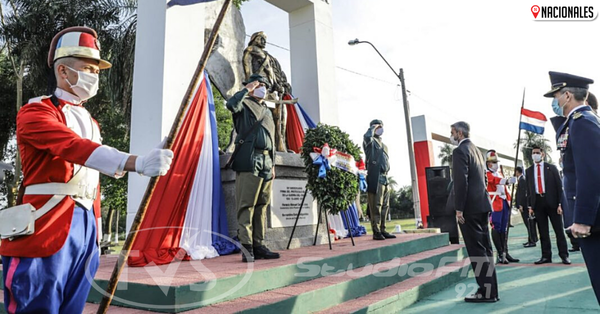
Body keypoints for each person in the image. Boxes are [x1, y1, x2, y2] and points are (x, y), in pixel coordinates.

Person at [0, 27, 174, 313]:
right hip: (46, 222)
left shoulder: (91, 121)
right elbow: (71, 146)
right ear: (63, 71)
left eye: (96, 70)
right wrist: (137, 163)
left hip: (87, 226)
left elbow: (93, 167)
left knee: (74, 306)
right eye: (87, 68)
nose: (94, 76)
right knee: (37, 305)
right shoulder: (35, 112)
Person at [546, 71, 600, 303]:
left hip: (594, 223)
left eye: (556, 95)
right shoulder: (579, 122)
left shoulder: (583, 123)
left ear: (567, 95)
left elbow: (590, 175)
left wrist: (583, 219)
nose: (554, 101)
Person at [227, 73, 280, 263]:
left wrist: (272, 165)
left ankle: (259, 244)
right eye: (258, 84)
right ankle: (247, 247)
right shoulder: (244, 104)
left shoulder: (266, 110)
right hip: (250, 158)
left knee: (262, 204)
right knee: (246, 204)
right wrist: (247, 89)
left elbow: (272, 140)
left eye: (264, 85)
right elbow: (231, 105)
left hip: (266, 160)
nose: (262, 87)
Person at [450, 121, 498, 303]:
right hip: (482, 205)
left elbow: (461, 181)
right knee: (486, 249)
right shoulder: (476, 150)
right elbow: (484, 178)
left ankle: (485, 292)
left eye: (452, 132)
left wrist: (459, 208)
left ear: (460, 133)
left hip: (470, 208)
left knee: (477, 251)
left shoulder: (460, 151)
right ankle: (491, 290)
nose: (451, 135)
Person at [525, 145, 570, 264]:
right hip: (538, 203)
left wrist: (561, 204)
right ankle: (546, 256)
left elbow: (559, 187)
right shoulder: (529, 171)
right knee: (543, 232)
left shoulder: (551, 168)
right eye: (533, 153)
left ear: (542, 154)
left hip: (553, 203)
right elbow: (529, 190)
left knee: (558, 230)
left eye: (537, 152)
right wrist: (530, 206)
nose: (535, 155)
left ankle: (564, 255)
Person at [363, 119, 396, 241]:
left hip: (385, 177)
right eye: (378, 127)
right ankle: (376, 231)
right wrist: (373, 127)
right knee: (376, 205)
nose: (380, 129)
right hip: (375, 177)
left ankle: (383, 229)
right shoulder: (370, 142)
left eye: (381, 126)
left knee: (385, 206)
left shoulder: (384, 145)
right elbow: (367, 137)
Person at [485, 150, 519, 264]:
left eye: (496, 162)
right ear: (488, 164)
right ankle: (500, 253)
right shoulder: (486, 173)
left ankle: (505, 252)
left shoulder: (499, 172)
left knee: (504, 228)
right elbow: (494, 181)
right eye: (493, 162)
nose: (495, 164)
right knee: (496, 227)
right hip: (495, 203)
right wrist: (507, 181)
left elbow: (503, 185)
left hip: (504, 201)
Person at [515, 166, 538, 248]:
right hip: (523, 206)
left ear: (517, 172)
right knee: (528, 223)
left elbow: (523, 194)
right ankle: (530, 239)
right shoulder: (521, 180)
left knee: (529, 223)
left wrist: (521, 204)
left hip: (524, 206)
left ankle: (532, 240)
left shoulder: (522, 180)